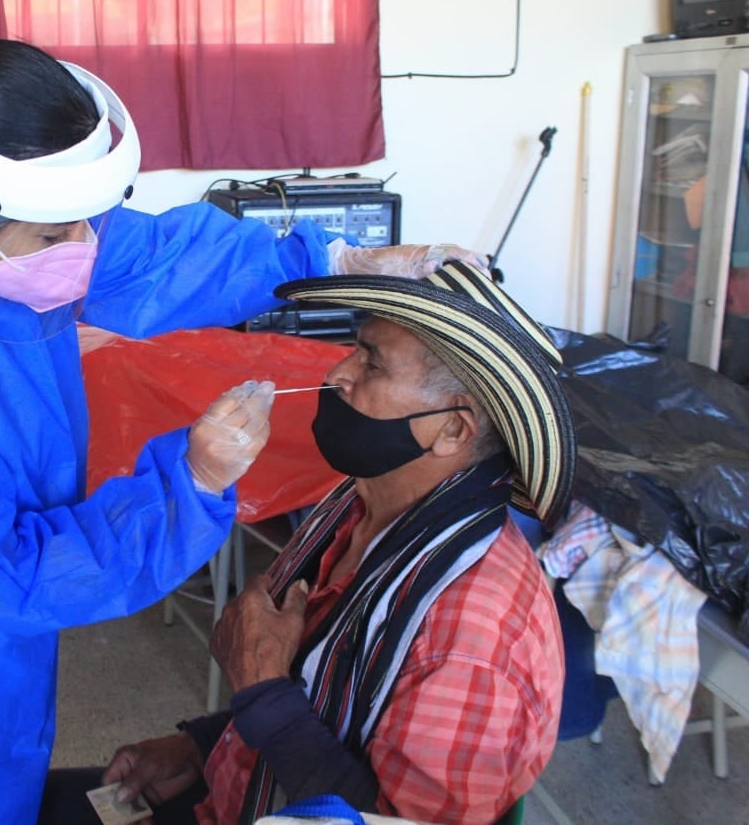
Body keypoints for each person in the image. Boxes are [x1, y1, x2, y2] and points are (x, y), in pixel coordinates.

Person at [0, 38, 487, 824]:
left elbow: (156, 258)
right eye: (56, 237)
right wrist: (187, 486)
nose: (85, 249)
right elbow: (3, 571)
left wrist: (336, 256)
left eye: (85, 224)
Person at [41, 261, 575, 825]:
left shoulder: (471, 637)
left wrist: (261, 692)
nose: (339, 372)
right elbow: (325, 695)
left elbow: (392, 819)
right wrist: (201, 746)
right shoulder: (358, 503)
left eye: (371, 363)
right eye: (354, 349)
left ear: (453, 429)